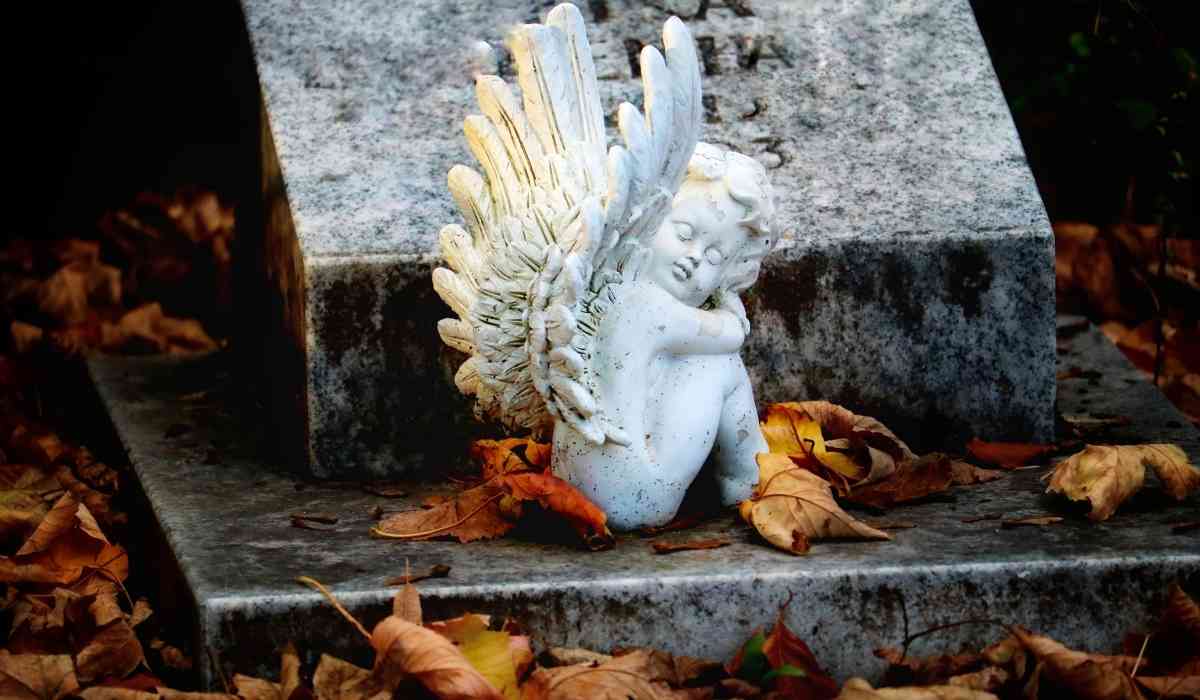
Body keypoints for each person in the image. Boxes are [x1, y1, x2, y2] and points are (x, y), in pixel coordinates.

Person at [552, 143, 777, 529]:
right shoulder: (646, 306)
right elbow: (730, 334)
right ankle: (747, 477)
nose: (693, 257)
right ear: (649, 218)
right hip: (635, 499)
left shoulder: (604, 293)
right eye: (686, 233)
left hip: (573, 482)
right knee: (720, 363)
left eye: (714, 258)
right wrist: (727, 301)